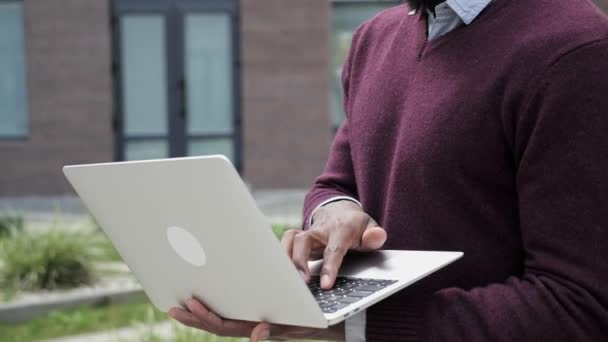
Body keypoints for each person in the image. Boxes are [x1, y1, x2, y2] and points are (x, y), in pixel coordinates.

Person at [169, 0, 608, 340]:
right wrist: (334, 214)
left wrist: (351, 325)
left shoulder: (576, 54)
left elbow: (580, 306)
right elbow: (337, 183)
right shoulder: (374, 39)